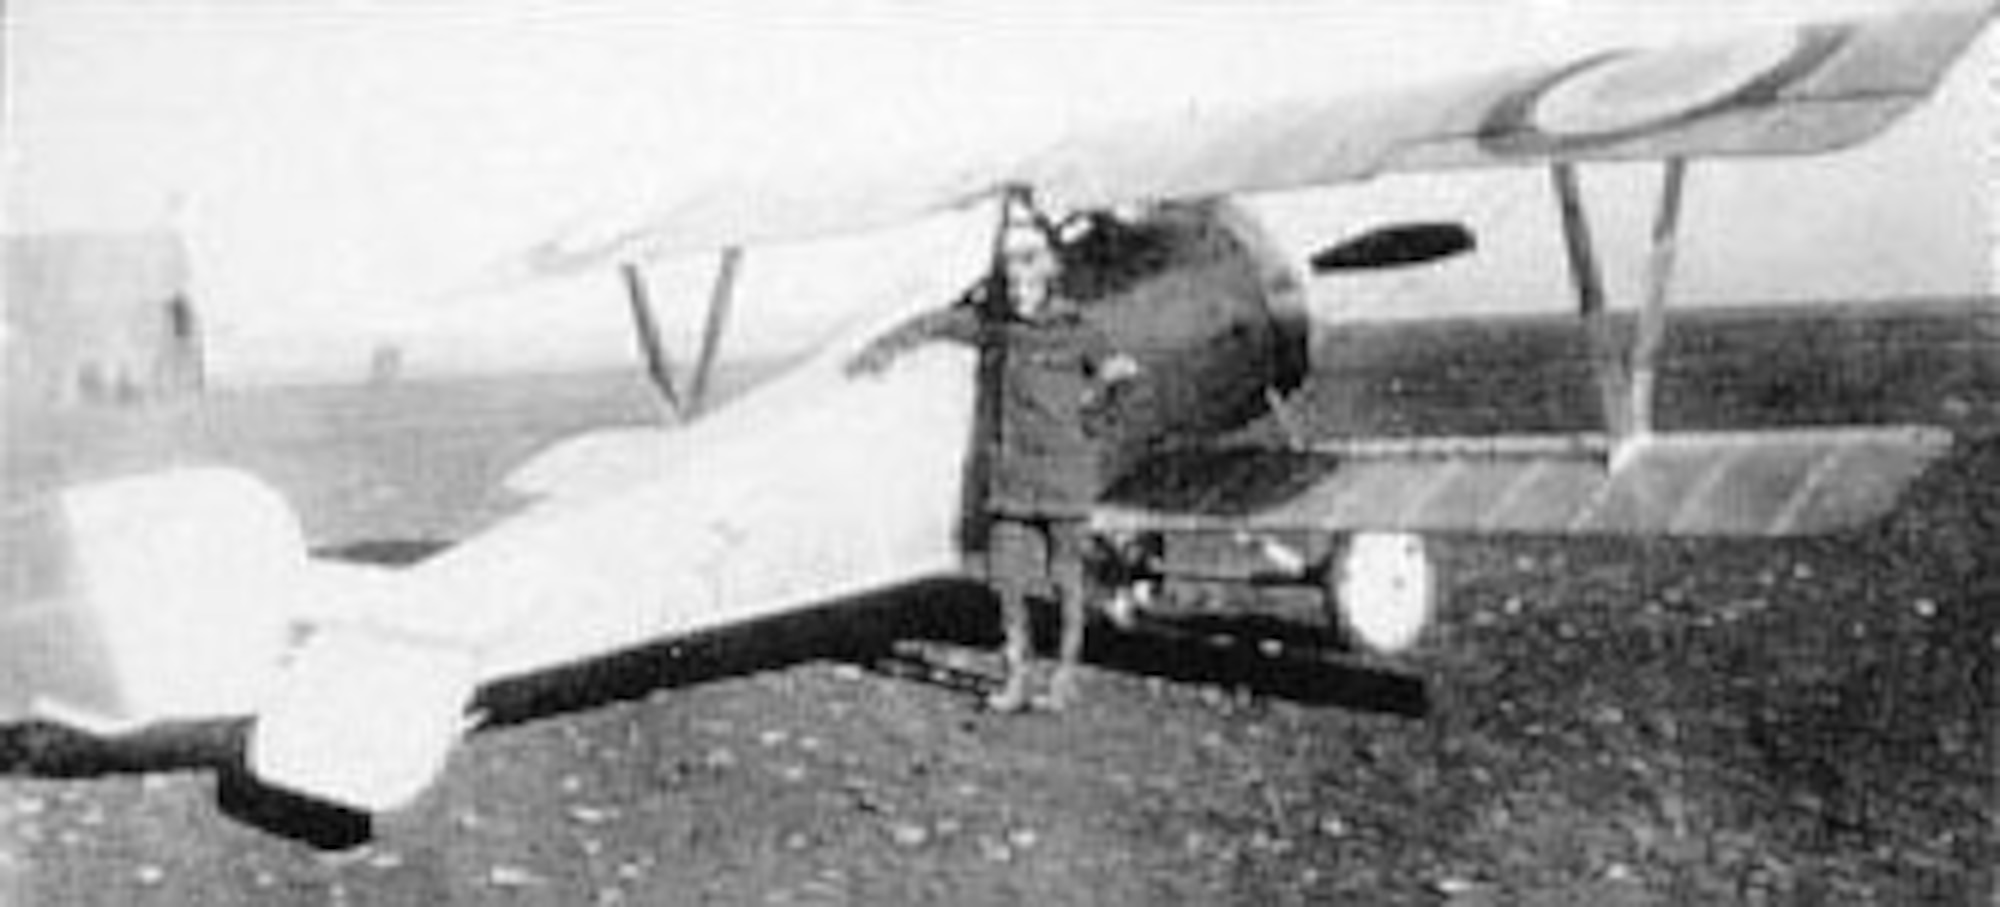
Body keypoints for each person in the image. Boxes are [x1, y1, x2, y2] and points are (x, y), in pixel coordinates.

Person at [848, 217, 1141, 711]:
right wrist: (883, 349)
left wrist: (1093, 425)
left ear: (1047, 274)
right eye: (1011, 275)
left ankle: (1064, 678)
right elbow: (937, 323)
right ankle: (1016, 675)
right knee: (1006, 577)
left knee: (1066, 577)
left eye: (1028, 271)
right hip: (1013, 476)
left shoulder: (1078, 331)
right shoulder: (999, 331)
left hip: (1064, 474)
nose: (1018, 284)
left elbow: (1124, 376)